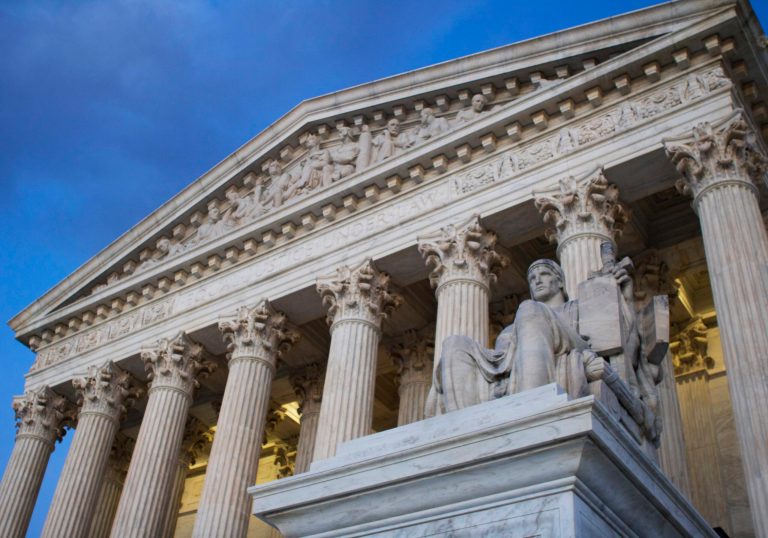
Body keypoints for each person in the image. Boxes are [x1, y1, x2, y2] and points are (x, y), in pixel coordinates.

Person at [427, 259, 609, 415]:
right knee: (454, 343)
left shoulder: (576, 309)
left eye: (544, 274)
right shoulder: (514, 326)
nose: (537, 280)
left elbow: (597, 346)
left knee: (530, 309)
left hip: (569, 345)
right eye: (531, 278)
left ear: (560, 281)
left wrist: (623, 295)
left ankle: (530, 409)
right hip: (510, 361)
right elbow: (501, 360)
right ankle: (463, 425)